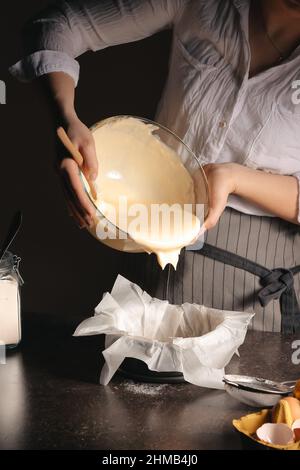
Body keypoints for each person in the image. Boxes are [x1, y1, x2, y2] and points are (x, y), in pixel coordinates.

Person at [10, 0, 300, 333]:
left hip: (255, 282)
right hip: (152, 244)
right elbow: (55, 25)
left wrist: (233, 177)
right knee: (137, 378)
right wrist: (66, 121)